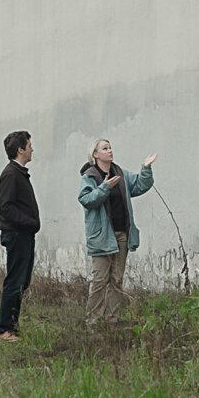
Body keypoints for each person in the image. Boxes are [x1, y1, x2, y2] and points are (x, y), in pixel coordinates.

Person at [78, 139, 156, 325]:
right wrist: (105, 187)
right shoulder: (90, 176)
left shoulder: (119, 173)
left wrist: (145, 168)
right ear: (95, 154)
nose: (110, 150)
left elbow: (139, 186)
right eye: (105, 148)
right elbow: (86, 199)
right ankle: (93, 321)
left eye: (110, 147)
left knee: (116, 279)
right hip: (102, 236)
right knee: (100, 280)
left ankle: (112, 319)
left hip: (122, 235)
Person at [0, 130, 39, 342]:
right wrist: (30, 223)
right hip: (17, 235)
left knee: (22, 281)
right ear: (20, 149)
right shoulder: (11, 175)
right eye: (29, 145)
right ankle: (5, 329)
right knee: (14, 282)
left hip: (24, 235)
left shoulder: (19, 173)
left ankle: (13, 326)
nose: (32, 149)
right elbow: (6, 208)